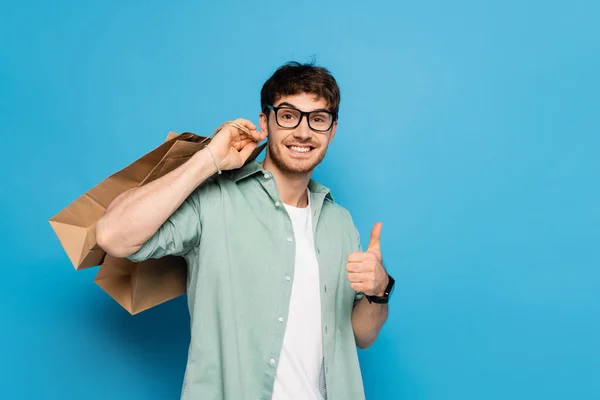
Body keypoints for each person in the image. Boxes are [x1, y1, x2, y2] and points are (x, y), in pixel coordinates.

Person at [95, 61, 395, 400]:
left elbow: (361, 335)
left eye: (318, 119)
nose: (303, 131)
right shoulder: (215, 200)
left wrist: (379, 290)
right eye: (288, 115)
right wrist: (209, 159)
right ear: (265, 121)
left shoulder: (339, 221)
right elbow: (112, 235)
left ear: (332, 130)